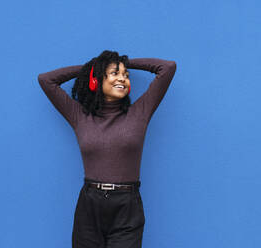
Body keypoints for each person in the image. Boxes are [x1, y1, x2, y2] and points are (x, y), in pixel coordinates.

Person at [37, 50, 177, 248]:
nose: (122, 78)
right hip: (89, 206)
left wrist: (123, 63)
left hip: (127, 207)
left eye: (126, 75)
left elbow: (167, 67)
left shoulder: (139, 112)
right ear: (96, 80)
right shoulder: (79, 116)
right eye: (114, 73)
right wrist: (93, 67)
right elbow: (46, 80)